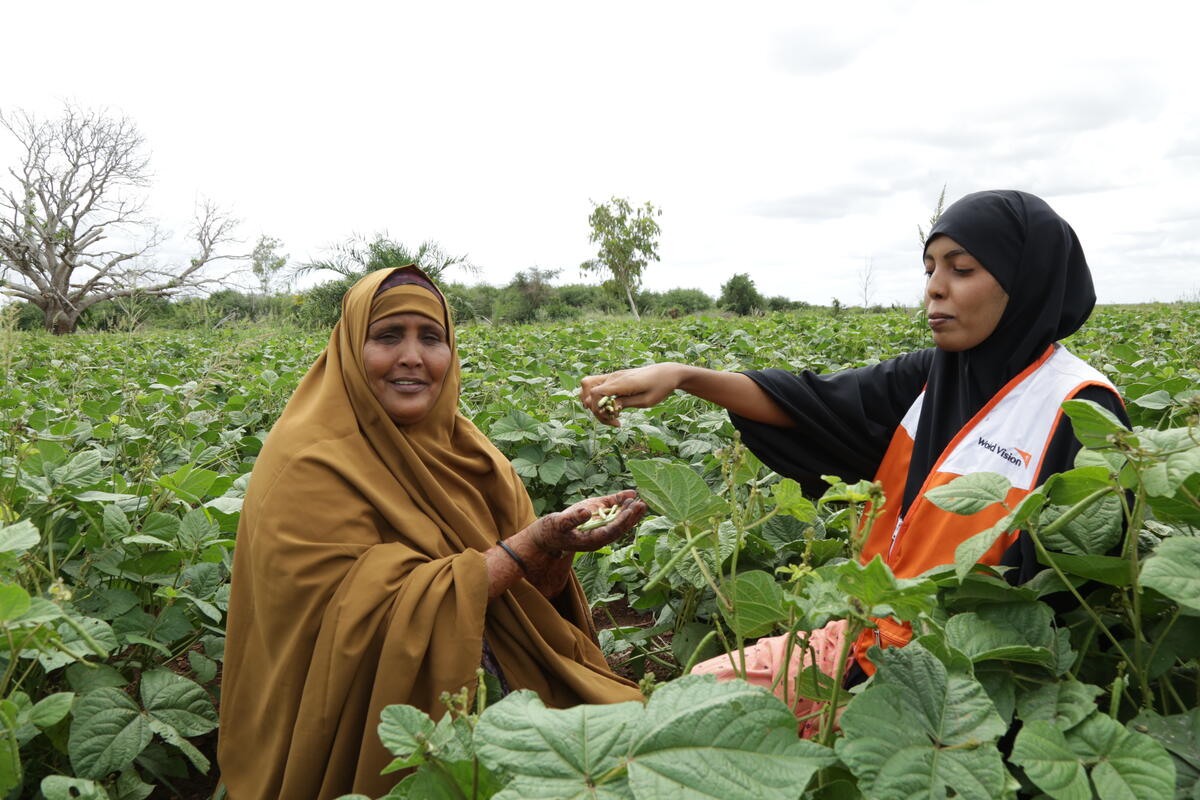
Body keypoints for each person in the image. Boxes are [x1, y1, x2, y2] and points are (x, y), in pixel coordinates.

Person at [578, 189, 1126, 719]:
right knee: (679, 711)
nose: (935, 289)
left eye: (961, 270)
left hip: (959, 685)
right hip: (863, 634)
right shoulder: (932, 375)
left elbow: (1062, 596)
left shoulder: (1079, 407)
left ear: (1026, 282)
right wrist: (683, 377)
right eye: (930, 268)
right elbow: (808, 402)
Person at [218, 266, 647, 799]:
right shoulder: (307, 461)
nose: (413, 357)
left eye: (432, 338)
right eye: (388, 336)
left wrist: (555, 550)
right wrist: (526, 545)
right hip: (369, 727)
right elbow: (341, 628)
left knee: (634, 746)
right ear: (352, 346)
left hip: (502, 689)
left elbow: (528, 603)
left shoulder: (471, 454)